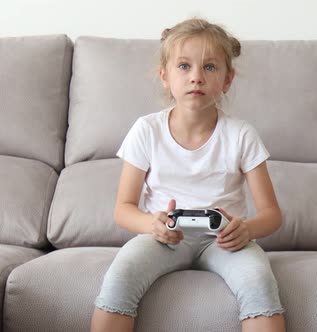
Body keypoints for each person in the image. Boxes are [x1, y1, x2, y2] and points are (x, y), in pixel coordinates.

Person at [90, 17, 286, 332]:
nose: (196, 77)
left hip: (224, 242)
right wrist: (150, 224)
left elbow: (272, 215)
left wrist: (245, 229)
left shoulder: (241, 135)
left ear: (227, 79)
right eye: (184, 66)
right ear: (164, 76)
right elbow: (123, 209)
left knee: (259, 280)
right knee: (120, 274)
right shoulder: (146, 130)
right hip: (163, 238)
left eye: (210, 67)